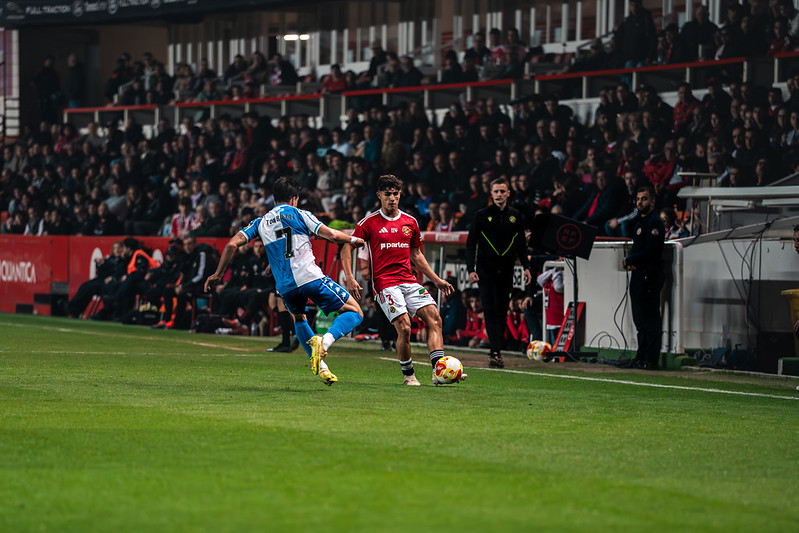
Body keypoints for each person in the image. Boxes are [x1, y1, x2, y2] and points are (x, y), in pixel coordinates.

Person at [205, 176, 366, 386]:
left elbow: (231, 245)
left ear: (274, 200)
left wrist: (218, 274)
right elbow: (332, 236)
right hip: (309, 277)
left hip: (285, 287)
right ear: (294, 199)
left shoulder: (261, 222)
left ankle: (322, 368)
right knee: (355, 312)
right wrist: (354, 239)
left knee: (299, 319)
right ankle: (324, 342)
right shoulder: (300, 214)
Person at [341, 174, 462, 386]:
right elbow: (346, 247)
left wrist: (436, 280)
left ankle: (439, 371)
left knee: (435, 318)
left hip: (409, 281)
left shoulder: (410, 222)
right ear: (379, 195)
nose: (392, 198)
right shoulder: (368, 223)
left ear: (400, 194)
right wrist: (350, 277)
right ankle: (409, 375)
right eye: (387, 194)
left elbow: (416, 255)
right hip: (384, 283)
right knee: (405, 327)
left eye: (395, 194)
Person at [465, 177, 532, 368]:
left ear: (508, 193)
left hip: (507, 270)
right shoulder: (481, 215)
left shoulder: (515, 215)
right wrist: (470, 269)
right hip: (485, 270)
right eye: (496, 191)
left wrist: (526, 267)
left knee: (502, 310)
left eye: (502, 191)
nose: (499, 195)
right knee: (490, 309)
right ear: (491, 193)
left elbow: (521, 244)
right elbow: (471, 244)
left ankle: (497, 350)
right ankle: (495, 351)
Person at [622, 184, 665, 370]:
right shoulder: (640, 223)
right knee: (639, 319)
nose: (640, 202)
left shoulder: (654, 223)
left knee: (650, 319)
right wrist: (630, 261)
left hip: (650, 276)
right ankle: (641, 356)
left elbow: (651, 251)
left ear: (652, 202)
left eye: (644, 199)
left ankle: (651, 359)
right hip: (639, 274)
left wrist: (631, 259)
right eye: (638, 199)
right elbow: (638, 248)